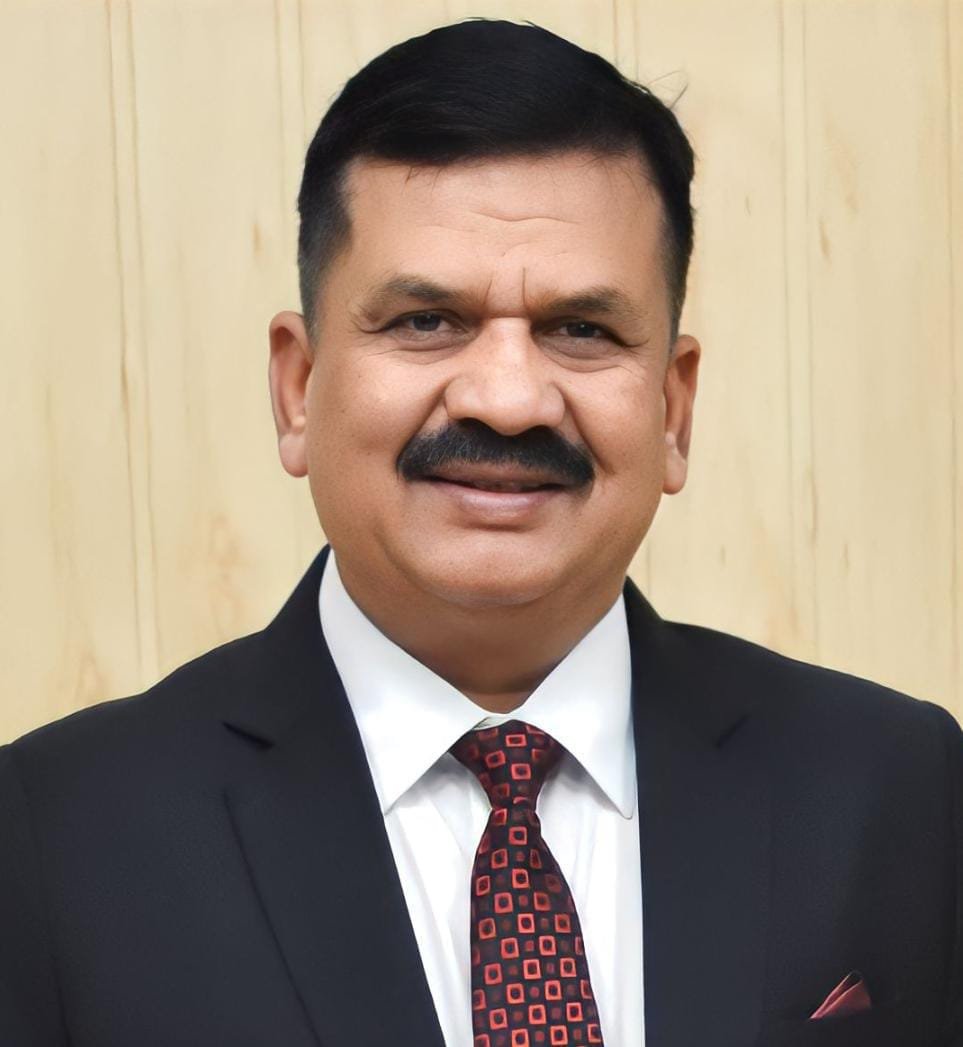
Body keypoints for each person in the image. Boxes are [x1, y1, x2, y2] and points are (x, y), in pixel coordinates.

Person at [1, 17, 959, 1047]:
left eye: (581, 330)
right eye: (426, 321)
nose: (506, 400)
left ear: (673, 410)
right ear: (298, 387)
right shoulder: (52, 837)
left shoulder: (898, 787)